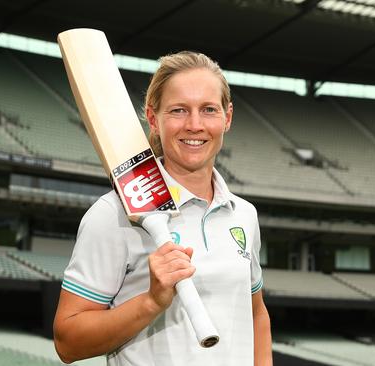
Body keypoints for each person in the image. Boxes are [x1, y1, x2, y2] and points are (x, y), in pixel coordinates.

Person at [54, 51, 272, 366]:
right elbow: (67, 343)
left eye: (208, 109)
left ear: (228, 117)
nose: (195, 125)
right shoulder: (112, 214)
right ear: (154, 119)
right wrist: (151, 301)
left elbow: (256, 313)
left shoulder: (244, 214)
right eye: (179, 110)